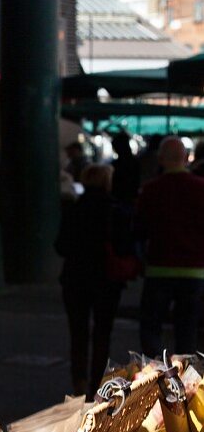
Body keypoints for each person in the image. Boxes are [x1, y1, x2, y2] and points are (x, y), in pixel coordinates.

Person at [55, 163, 128, 398]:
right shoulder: (115, 210)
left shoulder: (73, 209)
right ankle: (98, 383)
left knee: (78, 333)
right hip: (106, 280)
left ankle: (79, 380)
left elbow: (61, 246)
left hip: (75, 279)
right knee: (102, 333)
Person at [135, 135, 204, 356]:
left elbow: (140, 228)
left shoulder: (151, 189)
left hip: (158, 268)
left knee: (151, 328)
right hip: (194, 270)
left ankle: (156, 381)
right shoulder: (201, 188)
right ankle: (184, 385)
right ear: (186, 158)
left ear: (161, 159)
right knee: (187, 332)